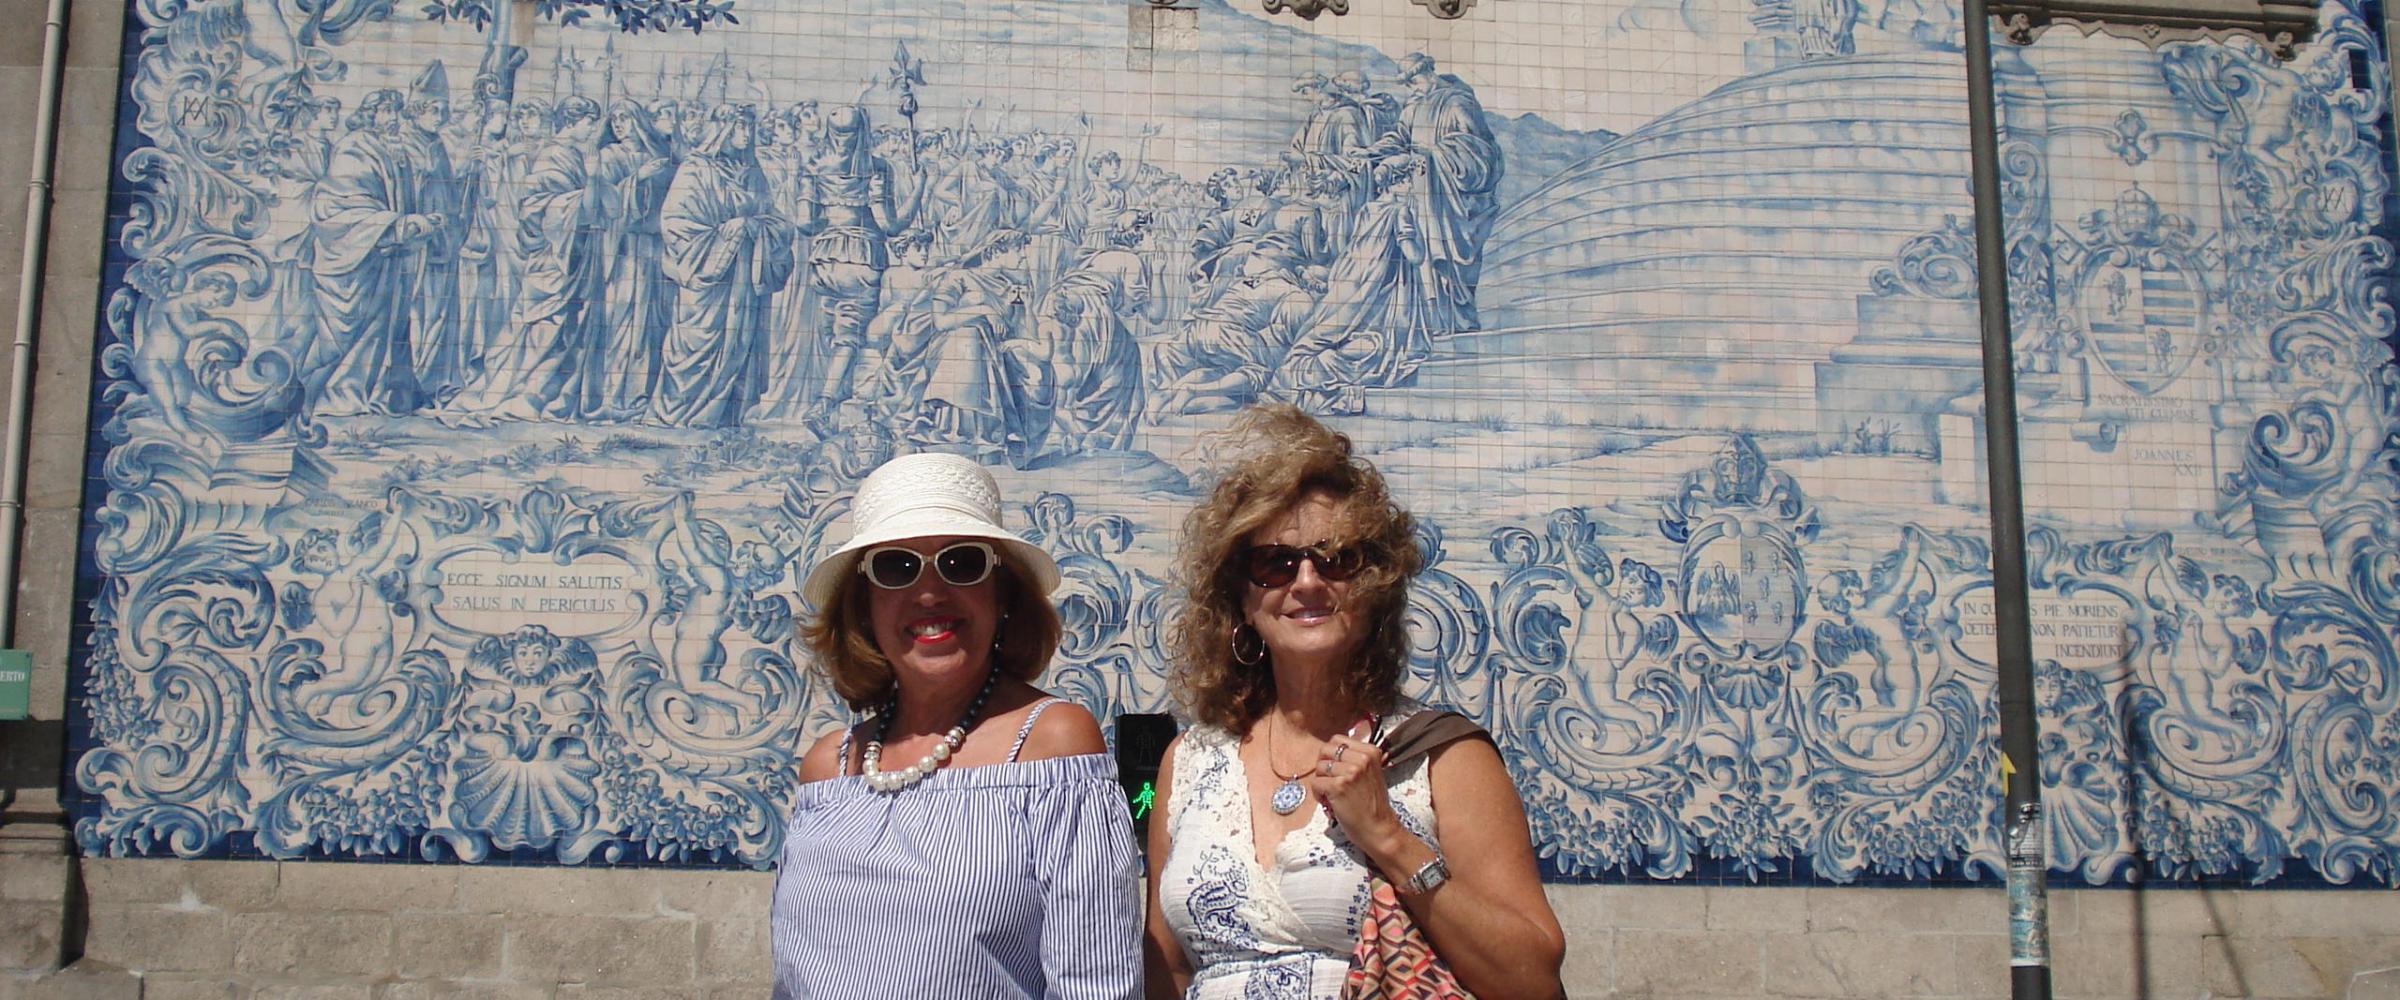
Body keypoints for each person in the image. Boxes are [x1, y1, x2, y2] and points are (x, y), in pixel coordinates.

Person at [1143, 403, 1565, 999]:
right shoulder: (1188, 763)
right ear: (1240, 598)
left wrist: (1389, 837)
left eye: (1337, 558)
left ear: (1372, 588)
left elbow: (1532, 979)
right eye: (1275, 562)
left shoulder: (1442, 757)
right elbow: (1168, 969)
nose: (1308, 581)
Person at [772, 452, 1143, 999]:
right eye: (897, 567)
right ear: (865, 603)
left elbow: (1096, 980)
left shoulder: (1051, 745)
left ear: (1003, 595)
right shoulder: (828, 767)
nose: (929, 593)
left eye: (961, 564)